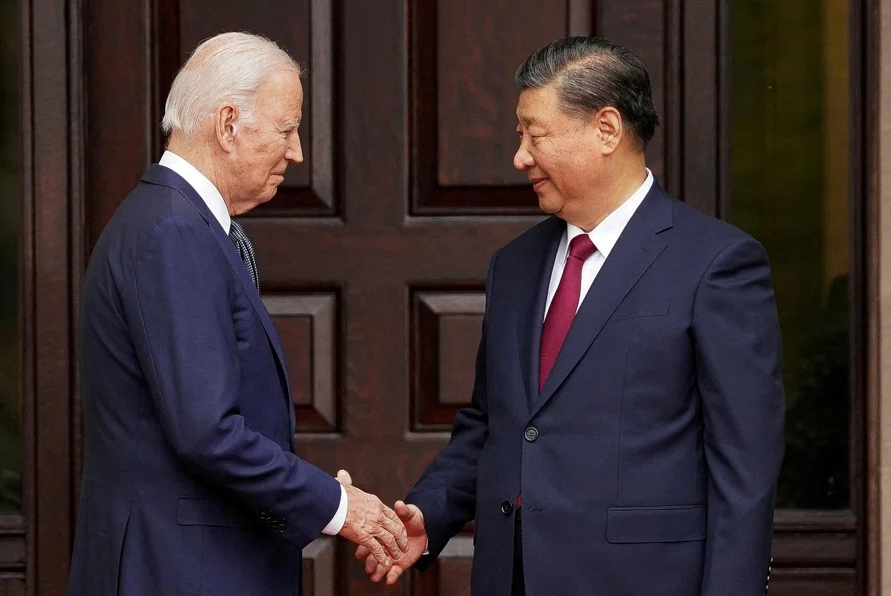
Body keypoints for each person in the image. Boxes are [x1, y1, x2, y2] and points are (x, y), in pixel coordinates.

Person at [356, 36, 784, 596]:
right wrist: (429, 514)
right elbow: (493, 424)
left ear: (607, 129)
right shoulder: (514, 266)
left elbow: (744, 469)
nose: (520, 157)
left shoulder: (715, 264)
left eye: (535, 135)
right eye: (519, 136)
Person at [67, 32, 407, 595]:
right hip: (180, 570)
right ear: (228, 124)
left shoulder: (176, 221)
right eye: (286, 129)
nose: (297, 152)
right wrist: (340, 506)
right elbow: (207, 432)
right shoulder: (173, 232)